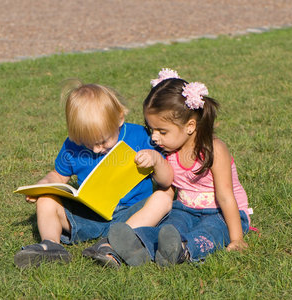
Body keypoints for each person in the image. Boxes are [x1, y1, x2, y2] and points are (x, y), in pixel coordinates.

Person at [13, 80, 173, 269]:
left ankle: (111, 244)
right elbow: (58, 175)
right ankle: (51, 245)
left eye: (103, 141)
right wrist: (42, 186)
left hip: (132, 213)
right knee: (46, 200)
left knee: (164, 197)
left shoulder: (140, 136)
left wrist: (155, 159)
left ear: (119, 118)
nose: (97, 149)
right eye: (88, 142)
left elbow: (167, 180)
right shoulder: (73, 146)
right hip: (90, 214)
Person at [106, 68, 252, 266]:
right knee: (170, 227)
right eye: (152, 129)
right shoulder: (168, 150)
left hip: (222, 214)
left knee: (209, 232)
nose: (154, 137)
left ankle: (183, 249)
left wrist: (237, 239)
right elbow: (166, 185)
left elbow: (226, 196)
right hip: (184, 209)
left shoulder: (214, 150)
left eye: (162, 131)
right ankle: (138, 243)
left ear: (190, 126)